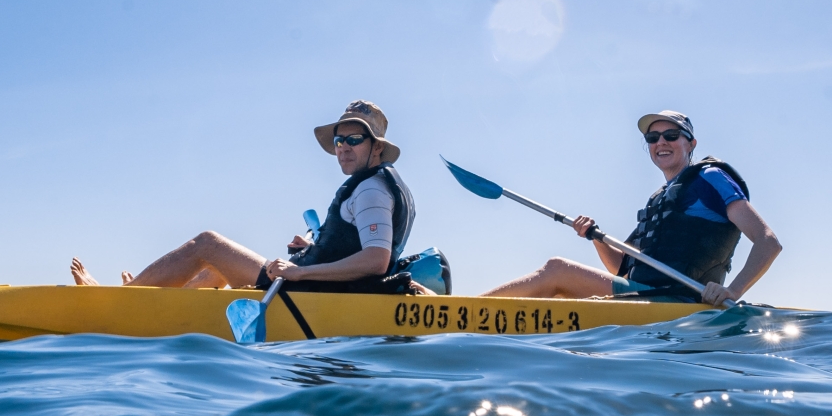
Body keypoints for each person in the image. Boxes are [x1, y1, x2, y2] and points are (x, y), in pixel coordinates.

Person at [70, 100, 428, 294]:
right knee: (215, 267)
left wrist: (301, 273)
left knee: (207, 244)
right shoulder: (375, 185)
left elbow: (376, 262)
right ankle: (152, 300)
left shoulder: (370, 189)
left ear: (376, 148)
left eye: (354, 140)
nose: (344, 149)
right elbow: (357, 248)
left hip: (315, 294)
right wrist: (309, 247)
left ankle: (118, 301)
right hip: (320, 287)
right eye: (339, 140)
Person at [483, 110, 782, 305]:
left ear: (690, 143)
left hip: (678, 300)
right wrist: (594, 237)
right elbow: (622, 270)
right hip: (644, 295)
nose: (660, 142)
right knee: (562, 289)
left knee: (557, 269)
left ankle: (464, 309)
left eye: (671, 135)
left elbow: (768, 242)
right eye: (652, 138)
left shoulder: (710, 178)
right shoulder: (659, 199)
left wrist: (734, 291)